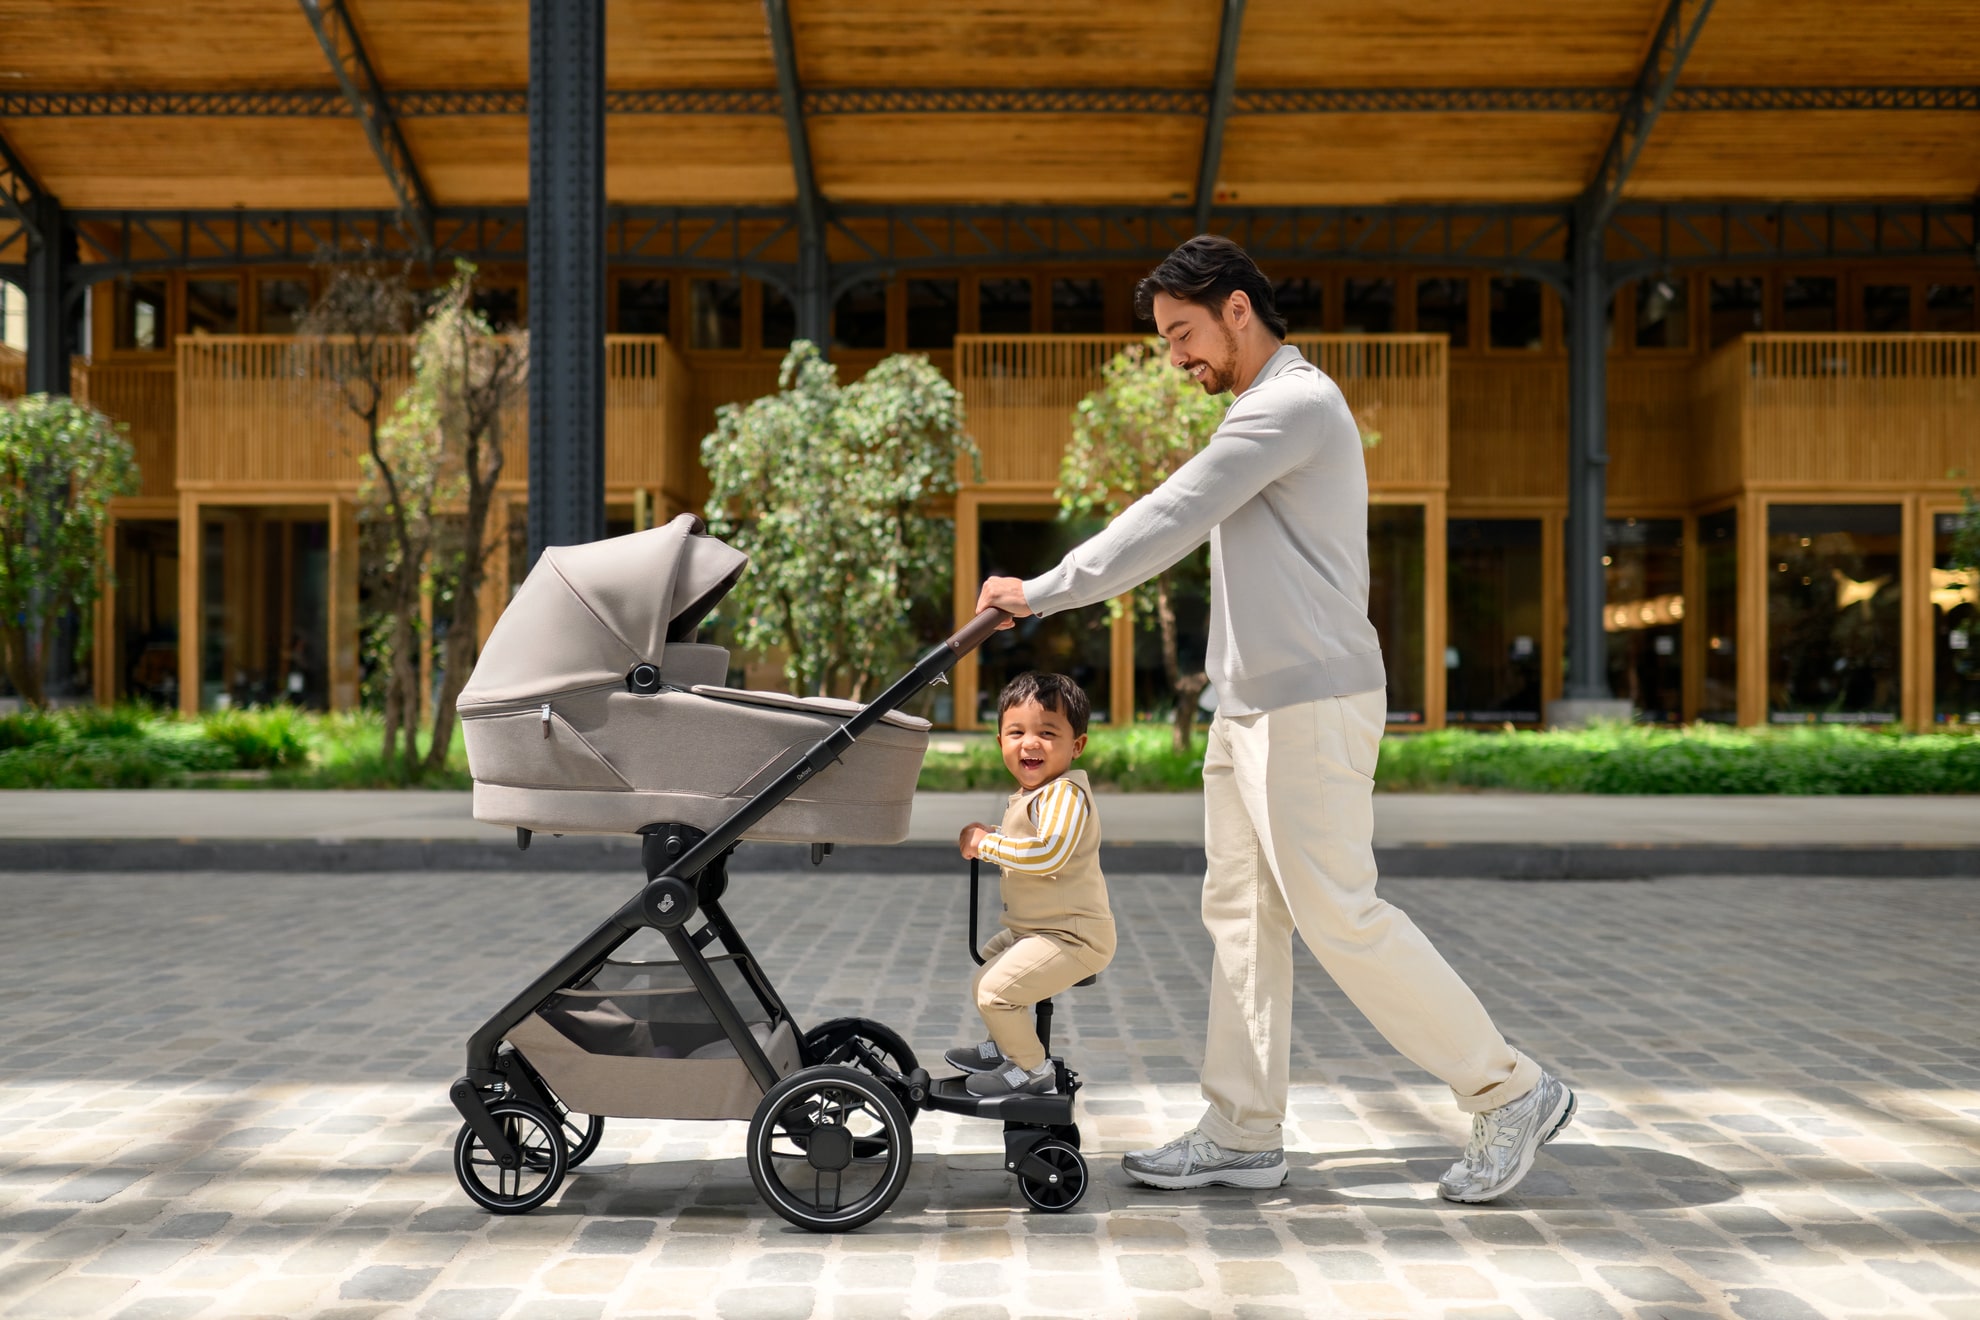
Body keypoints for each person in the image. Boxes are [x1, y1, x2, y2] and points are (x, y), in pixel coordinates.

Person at [973, 236, 1574, 1202]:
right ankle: (1243, 1131)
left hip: (1310, 703)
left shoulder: (1294, 403)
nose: (1176, 356)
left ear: (1239, 309)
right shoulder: (1258, 412)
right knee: (1243, 922)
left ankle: (1510, 1089)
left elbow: (1171, 514)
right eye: (1167, 339)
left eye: (1183, 333)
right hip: (1248, 707)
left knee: (1339, 912)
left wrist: (1041, 592)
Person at [947, 672, 1114, 1098]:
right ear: (1000, 740)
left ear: (1077, 745)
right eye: (1017, 732)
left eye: (1048, 733)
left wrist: (987, 845)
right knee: (991, 964)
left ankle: (1032, 1069)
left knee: (993, 991)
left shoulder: (1065, 795)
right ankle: (1005, 1045)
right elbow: (1027, 840)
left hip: (1074, 936)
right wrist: (993, 835)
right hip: (1040, 928)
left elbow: (1048, 853)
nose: (1030, 743)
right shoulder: (1035, 795)